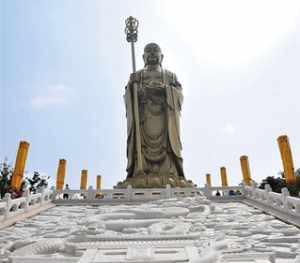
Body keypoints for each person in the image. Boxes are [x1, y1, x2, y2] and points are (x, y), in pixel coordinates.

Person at [124, 43, 187, 187]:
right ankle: (141, 171)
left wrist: (165, 90)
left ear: (162, 56)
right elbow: (128, 97)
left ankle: (170, 172)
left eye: (155, 51)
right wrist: (133, 91)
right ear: (143, 57)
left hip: (166, 121)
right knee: (140, 146)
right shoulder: (137, 76)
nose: (152, 54)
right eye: (148, 52)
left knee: (169, 146)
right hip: (143, 119)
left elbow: (179, 95)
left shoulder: (170, 76)